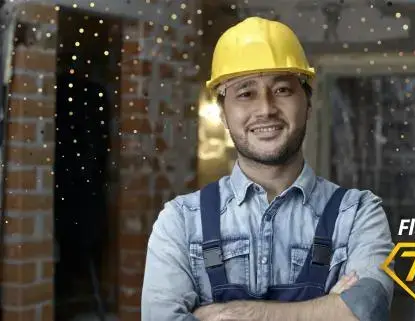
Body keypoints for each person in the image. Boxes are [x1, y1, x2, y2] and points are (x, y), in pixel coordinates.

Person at [141, 17, 394, 321]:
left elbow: (366, 310)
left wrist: (239, 313)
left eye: (283, 90)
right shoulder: (180, 222)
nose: (265, 108)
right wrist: (328, 310)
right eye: (246, 93)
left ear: (308, 104)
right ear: (223, 114)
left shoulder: (358, 214)